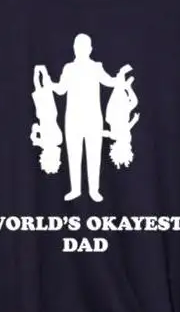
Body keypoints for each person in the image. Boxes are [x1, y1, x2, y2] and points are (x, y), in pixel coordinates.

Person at [46, 33, 131, 202]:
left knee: (94, 155)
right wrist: (50, 85)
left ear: (90, 49)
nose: (80, 49)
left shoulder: (96, 67)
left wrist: (121, 76)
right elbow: (61, 90)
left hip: (93, 119)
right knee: (73, 154)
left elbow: (109, 82)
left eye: (84, 46)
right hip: (73, 119)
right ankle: (75, 189)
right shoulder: (69, 68)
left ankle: (94, 190)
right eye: (78, 46)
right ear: (74, 48)